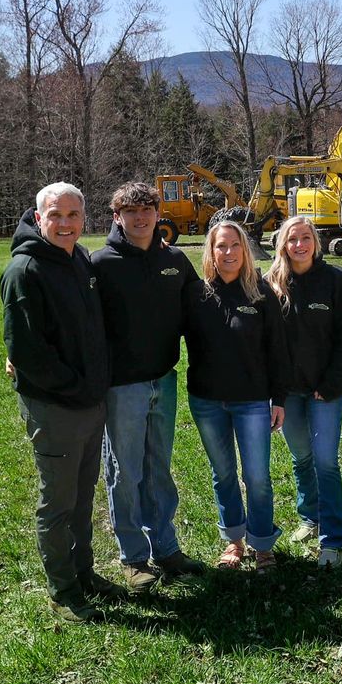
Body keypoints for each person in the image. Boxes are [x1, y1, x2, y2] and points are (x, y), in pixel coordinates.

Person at [0, 182, 120, 622]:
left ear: (83, 219)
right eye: (56, 215)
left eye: (73, 215)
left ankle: (84, 572)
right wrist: (76, 388)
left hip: (89, 402)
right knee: (58, 501)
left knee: (83, 495)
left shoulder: (81, 260)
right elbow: (28, 352)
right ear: (37, 217)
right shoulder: (24, 271)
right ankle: (63, 589)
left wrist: (95, 385)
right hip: (56, 406)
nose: (65, 223)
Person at [91, 182, 206, 593]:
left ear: (158, 214)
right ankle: (133, 557)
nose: (140, 217)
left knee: (159, 468)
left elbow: (202, 309)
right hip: (122, 386)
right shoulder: (100, 264)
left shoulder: (175, 260)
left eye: (146, 209)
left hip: (164, 379)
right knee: (124, 471)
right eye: (130, 211)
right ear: (116, 216)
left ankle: (167, 548)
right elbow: (78, 319)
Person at [183, 221, 289, 572]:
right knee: (223, 473)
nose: (228, 253)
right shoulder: (196, 295)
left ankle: (262, 545)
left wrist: (279, 399)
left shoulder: (260, 294)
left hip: (252, 401)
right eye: (221, 246)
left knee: (257, 476)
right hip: (207, 401)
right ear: (211, 252)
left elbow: (278, 351)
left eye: (234, 246)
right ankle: (234, 541)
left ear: (245, 250)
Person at [266, 215, 342, 569]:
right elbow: (265, 344)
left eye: (306, 238)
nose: (299, 245)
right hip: (288, 392)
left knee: (325, 461)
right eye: (293, 239)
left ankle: (332, 540)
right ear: (283, 245)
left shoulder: (336, 281)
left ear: (315, 243)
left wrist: (332, 385)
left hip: (325, 392)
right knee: (301, 457)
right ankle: (310, 517)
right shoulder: (271, 283)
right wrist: (273, 392)